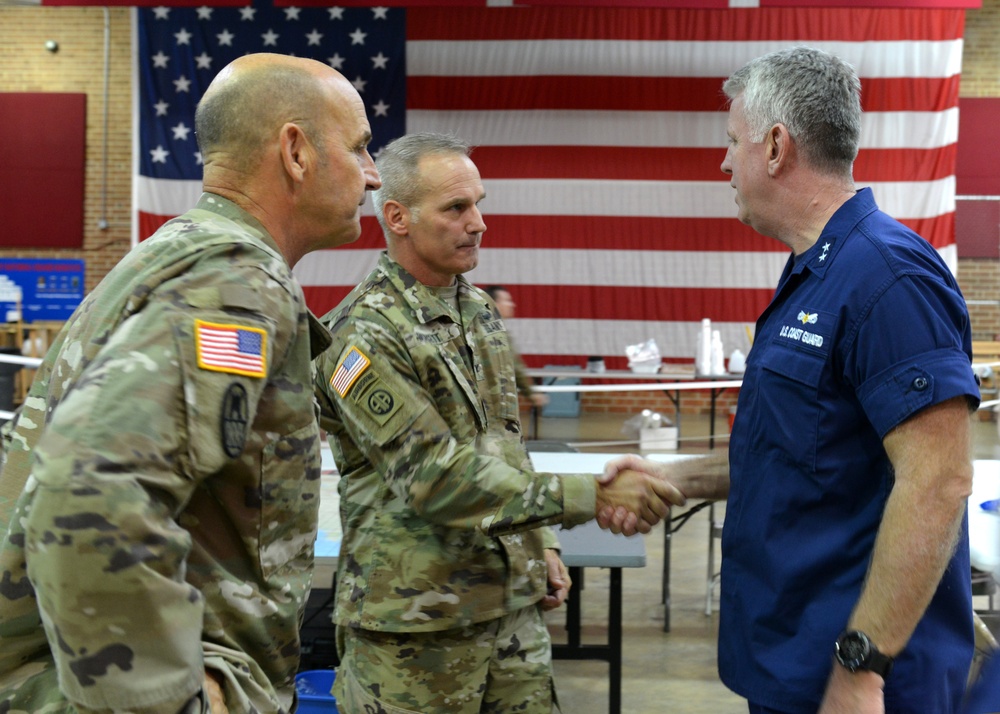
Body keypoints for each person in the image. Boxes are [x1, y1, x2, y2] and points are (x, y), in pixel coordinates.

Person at [603, 46, 980, 713]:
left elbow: (939, 481)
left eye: (731, 141)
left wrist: (864, 664)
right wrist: (678, 478)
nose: (724, 162)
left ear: (776, 146)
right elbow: (799, 449)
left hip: (863, 677)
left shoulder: (888, 277)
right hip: (793, 656)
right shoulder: (817, 272)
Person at [0, 53, 380, 713]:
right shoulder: (235, 281)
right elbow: (88, 489)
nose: (373, 175)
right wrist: (163, 695)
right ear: (295, 151)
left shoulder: (173, 258)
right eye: (360, 147)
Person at [313, 132, 678, 713]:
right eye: (456, 208)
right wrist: (592, 494)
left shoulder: (476, 310)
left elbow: (503, 443)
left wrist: (542, 543)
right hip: (415, 630)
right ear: (398, 217)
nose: (478, 222)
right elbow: (434, 476)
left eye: (478, 203)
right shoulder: (361, 334)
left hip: (509, 611)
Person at [484, 285, 549, 409]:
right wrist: (531, 393)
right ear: (494, 304)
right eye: (507, 300)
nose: (512, 305)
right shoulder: (495, 332)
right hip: (492, 401)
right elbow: (513, 365)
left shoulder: (482, 327)